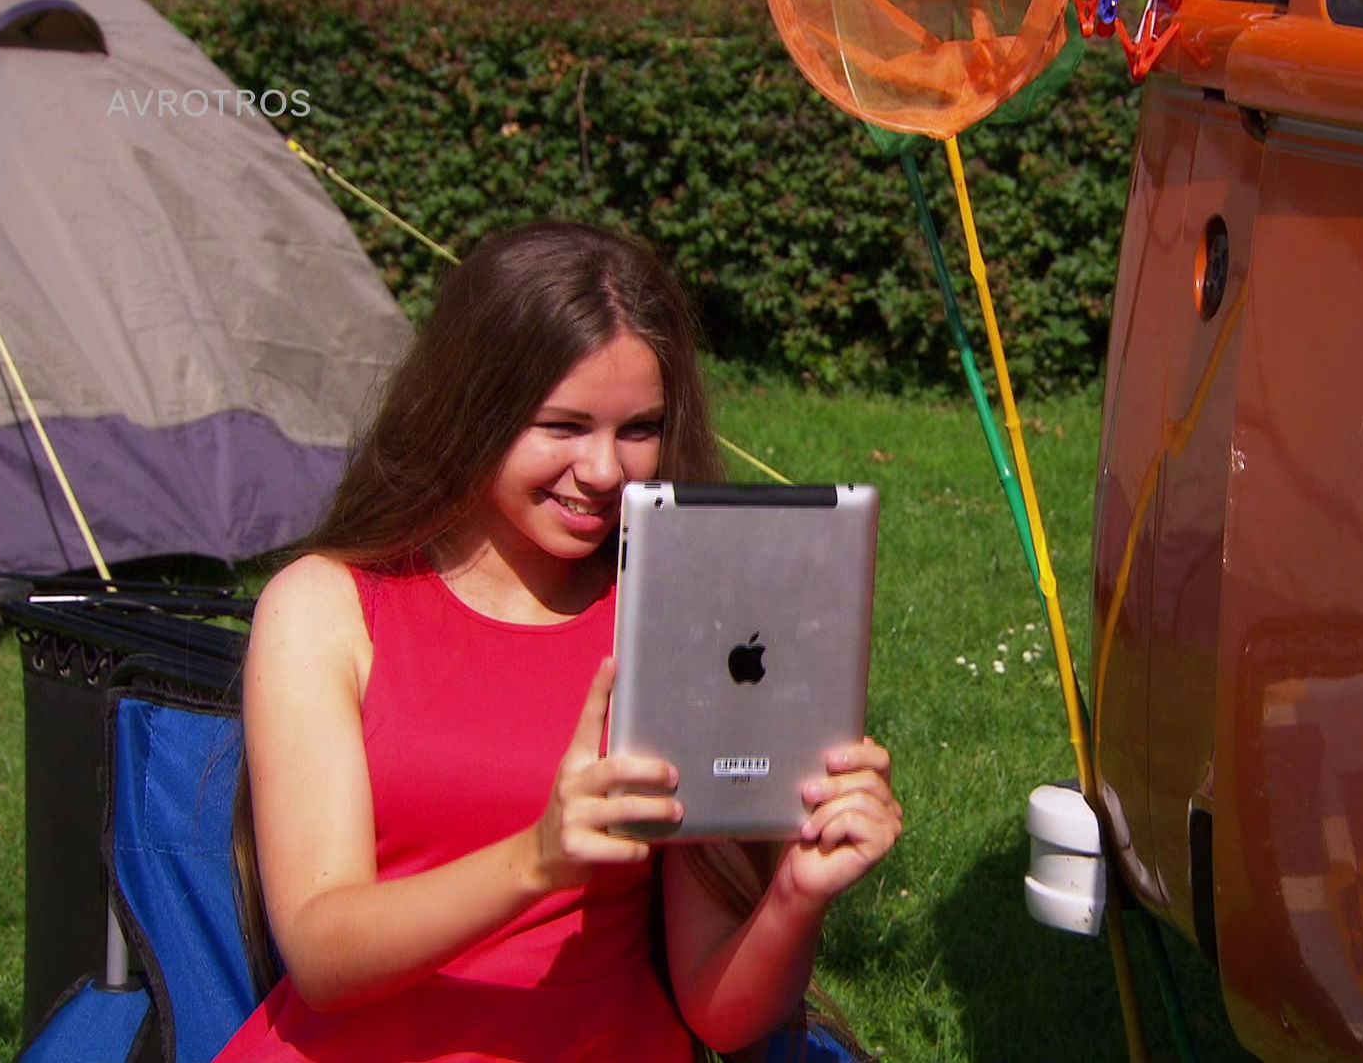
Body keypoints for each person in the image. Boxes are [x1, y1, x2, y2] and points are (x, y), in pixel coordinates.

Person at [215, 222, 903, 1062]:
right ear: (472, 409)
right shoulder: (327, 606)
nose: (606, 470)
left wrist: (797, 893)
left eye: (639, 428)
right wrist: (536, 860)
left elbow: (719, 1015)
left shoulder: (681, 614)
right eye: (564, 425)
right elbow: (322, 954)